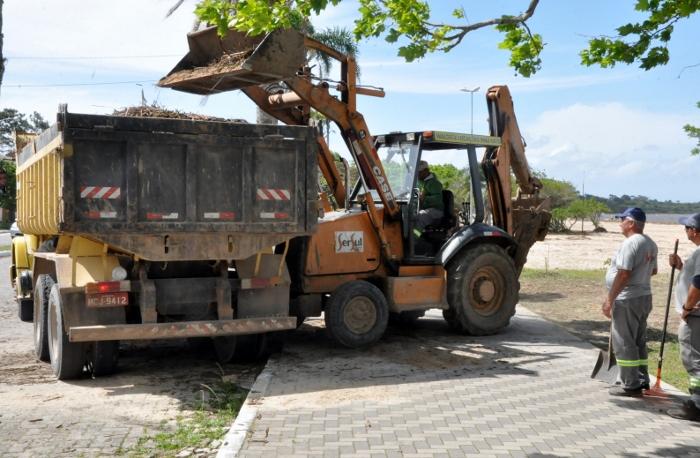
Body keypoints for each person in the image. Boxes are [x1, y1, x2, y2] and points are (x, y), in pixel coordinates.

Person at [602, 207, 658, 397]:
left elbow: (624, 273)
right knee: (638, 340)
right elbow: (653, 271)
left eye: (622, 219)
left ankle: (630, 384)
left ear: (631, 223)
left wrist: (610, 299)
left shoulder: (630, 243)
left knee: (624, 342)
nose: (620, 223)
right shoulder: (650, 243)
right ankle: (642, 379)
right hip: (644, 296)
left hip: (628, 299)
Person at [667, 213, 700, 421]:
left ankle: (697, 404)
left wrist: (687, 307)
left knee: (693, 359)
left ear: (695, 230)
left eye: (686, 228)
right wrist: (680, 266)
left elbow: (698, 283)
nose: (685, 232)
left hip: (695, 316)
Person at [415, 160, 444, 231]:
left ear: (426, 171)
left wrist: (424, 198)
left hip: (436, 210)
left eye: (419, 172)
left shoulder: (434, 183)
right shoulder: (419, 182)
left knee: (420, 217)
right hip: (424, 209)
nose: (417, 174)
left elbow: (438, 200)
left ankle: (414, 238)